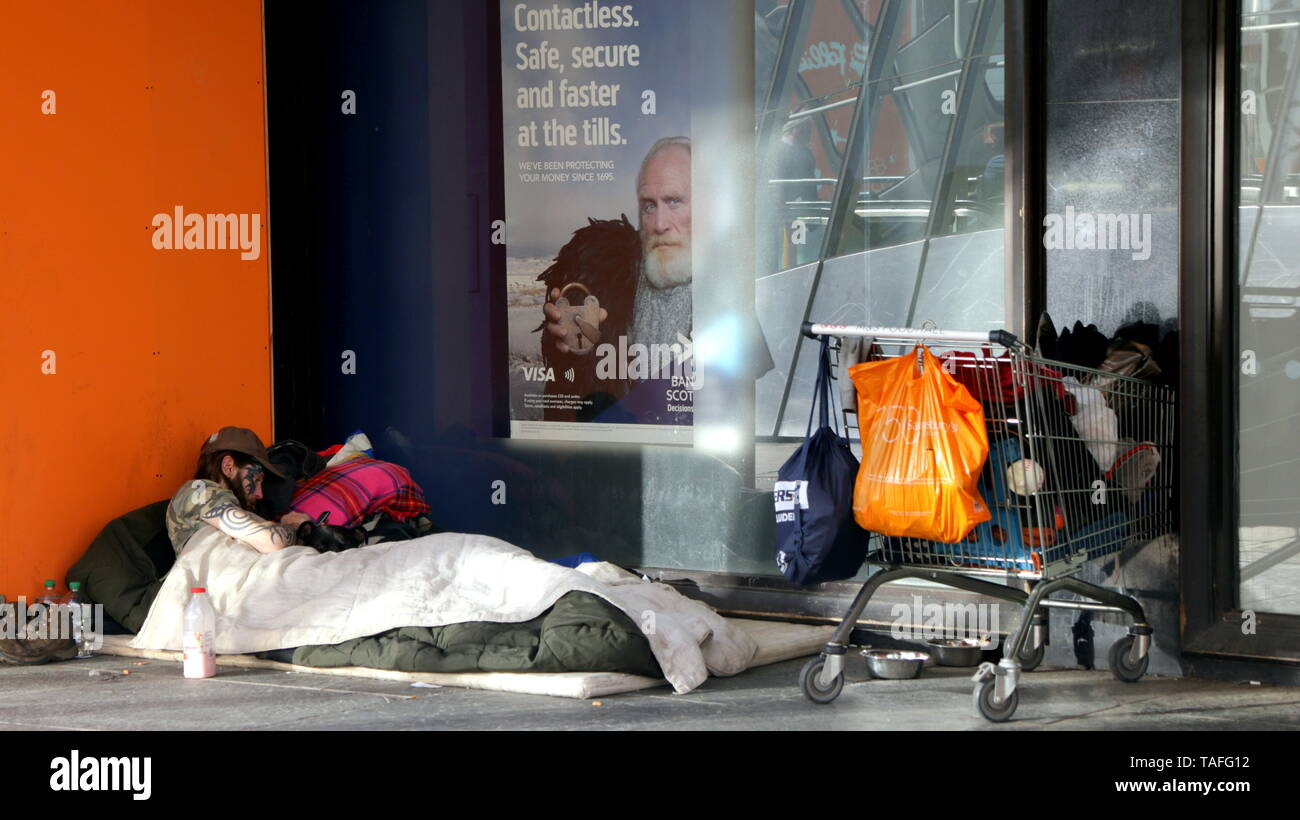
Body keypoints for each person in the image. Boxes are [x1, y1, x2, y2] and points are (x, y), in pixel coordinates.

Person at [165, 426, 313, 555]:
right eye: (256, 479)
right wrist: (294, 527)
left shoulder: (231, 507)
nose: (260, 494)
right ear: (228, 466)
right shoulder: (198, 490)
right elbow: (272, 542)